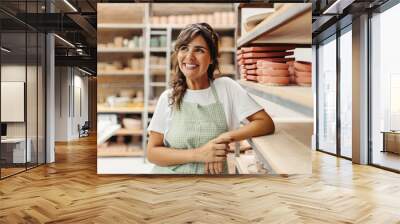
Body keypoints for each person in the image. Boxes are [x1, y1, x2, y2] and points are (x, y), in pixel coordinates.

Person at [147, 23, 275, 174]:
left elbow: (265, 123)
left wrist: (225, 137)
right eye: (184, 48)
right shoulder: (168, 98)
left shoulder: (226, 88)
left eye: (199, 50)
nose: (189, 56)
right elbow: (152, 153)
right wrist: (199, 154)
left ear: (212, 59)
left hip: (213, 184)